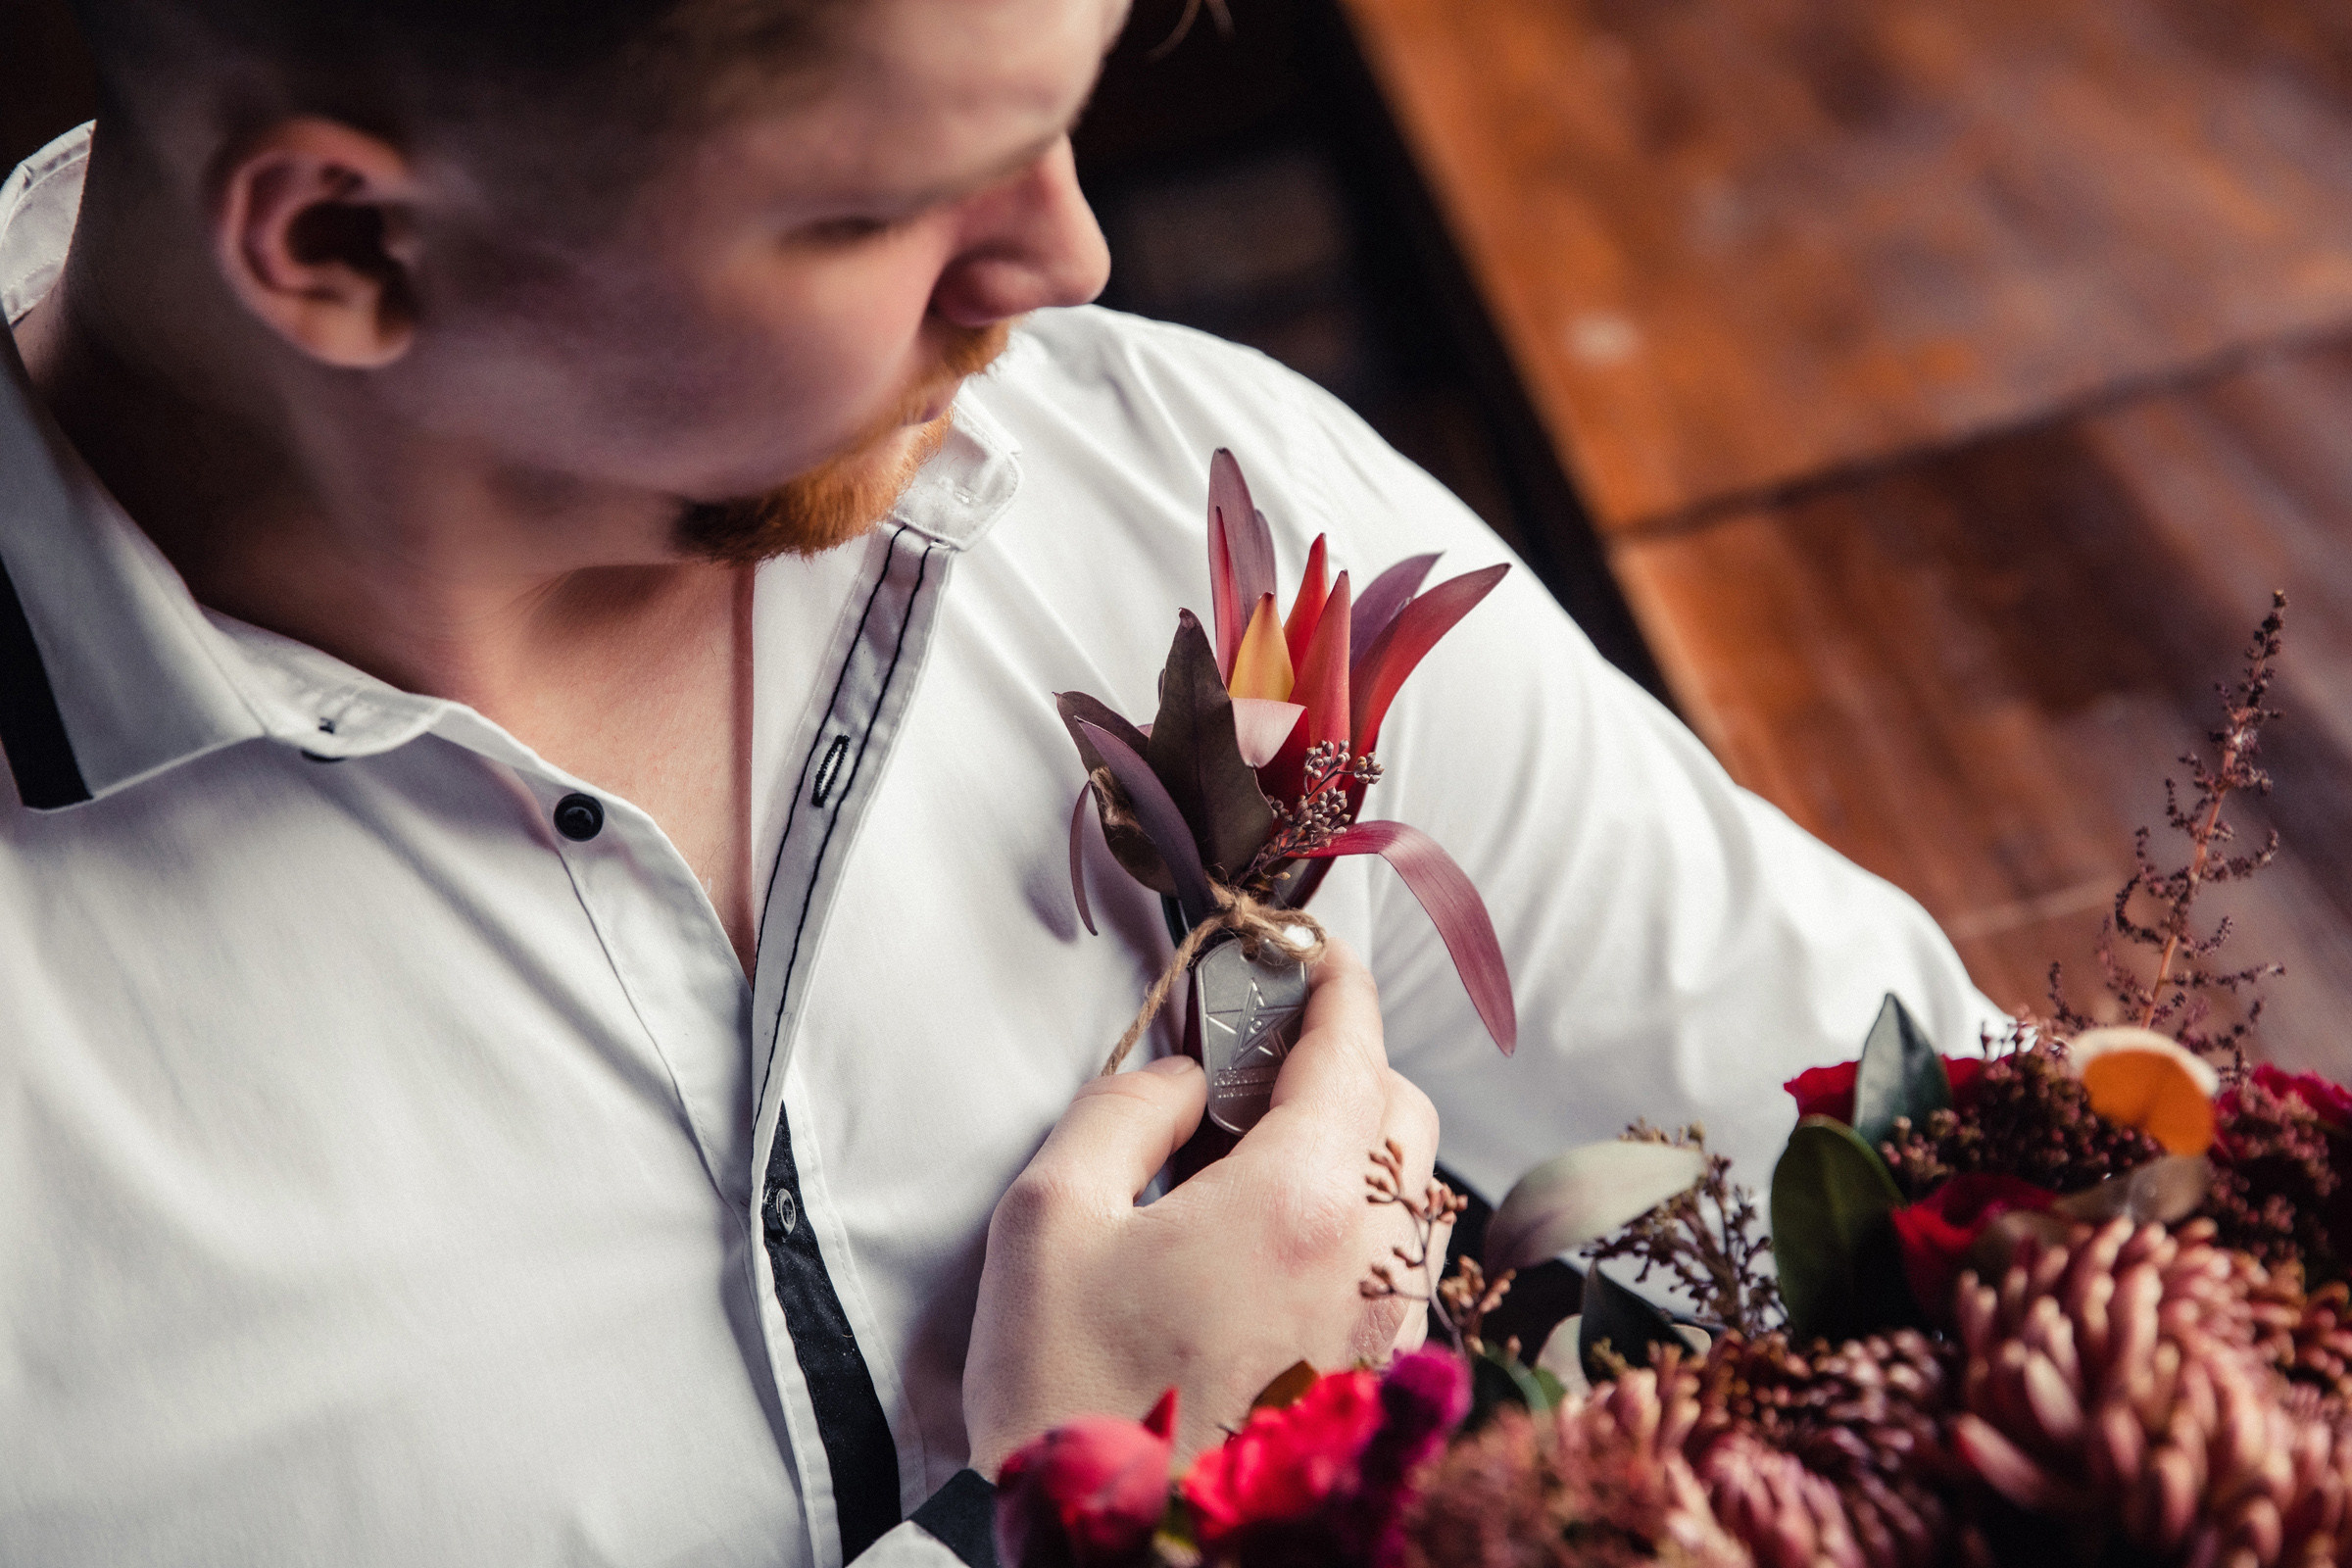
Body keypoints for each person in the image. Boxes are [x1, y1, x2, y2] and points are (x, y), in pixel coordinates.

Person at [0, 0, 2002, 1561]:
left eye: (1075, 91)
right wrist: (1065, 1519)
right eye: (882, 205)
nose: (1071, 251)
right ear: (344, 240)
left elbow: (1972, 1189)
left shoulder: (1183, 500)